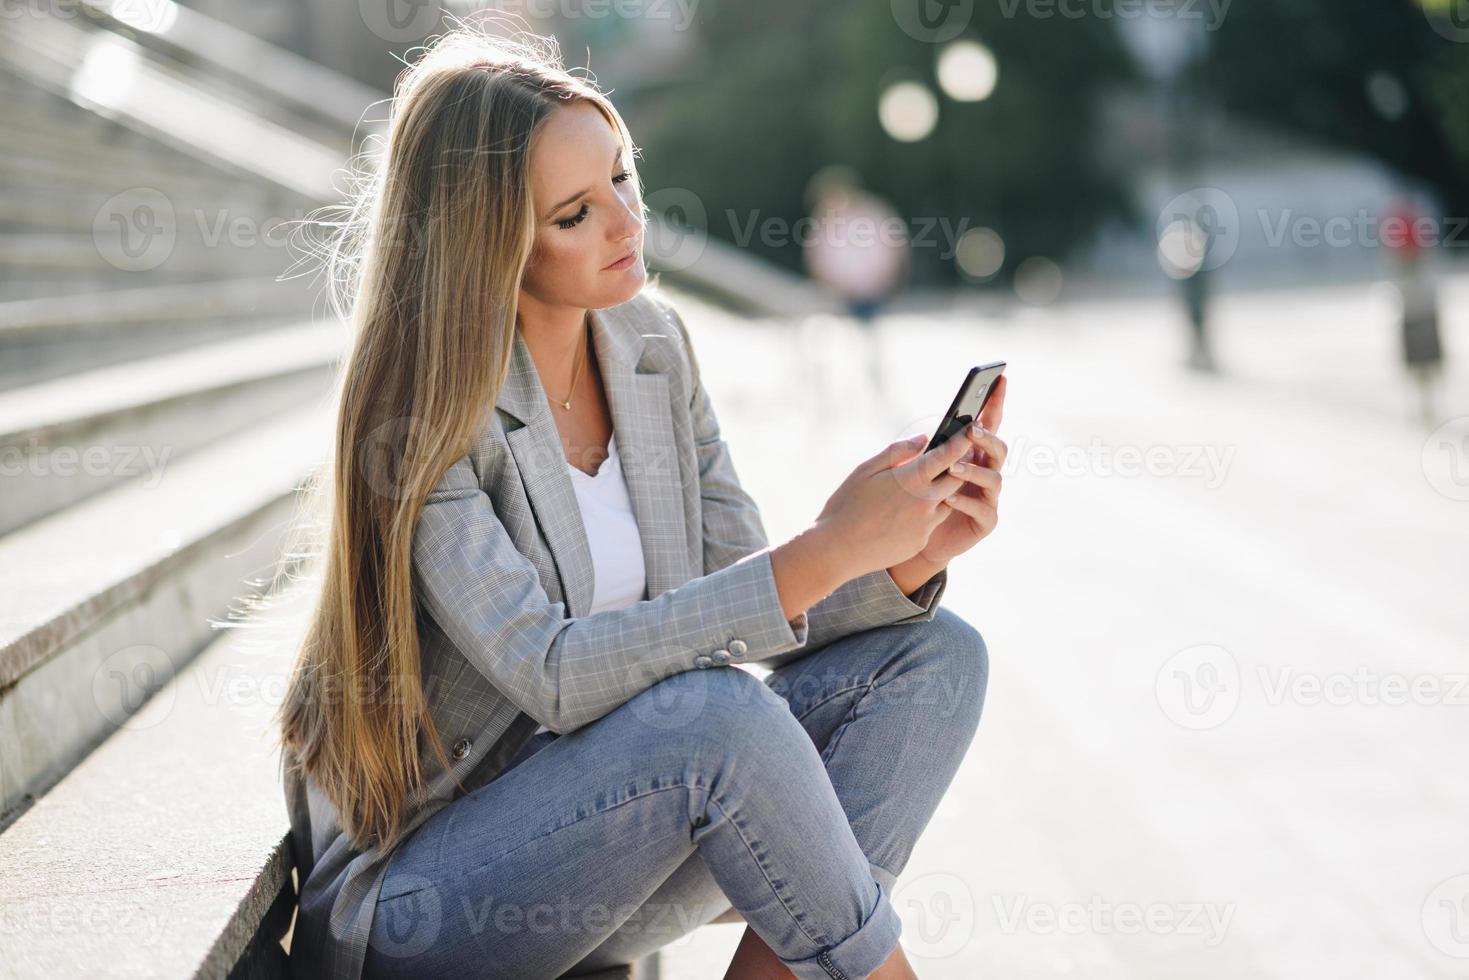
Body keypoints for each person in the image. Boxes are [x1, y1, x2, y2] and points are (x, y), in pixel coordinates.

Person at [268, 24, 1008, 980]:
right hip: (431, 889)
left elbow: (740, 604)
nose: (626, 222)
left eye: (620, 177)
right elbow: (551, 672)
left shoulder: (650, 349)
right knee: (711, 720)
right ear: (486, 242)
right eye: (574, 213)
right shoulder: (419, 409)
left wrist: (897, 552)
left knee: (933, 655)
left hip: (621, 850)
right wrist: (827, 546)